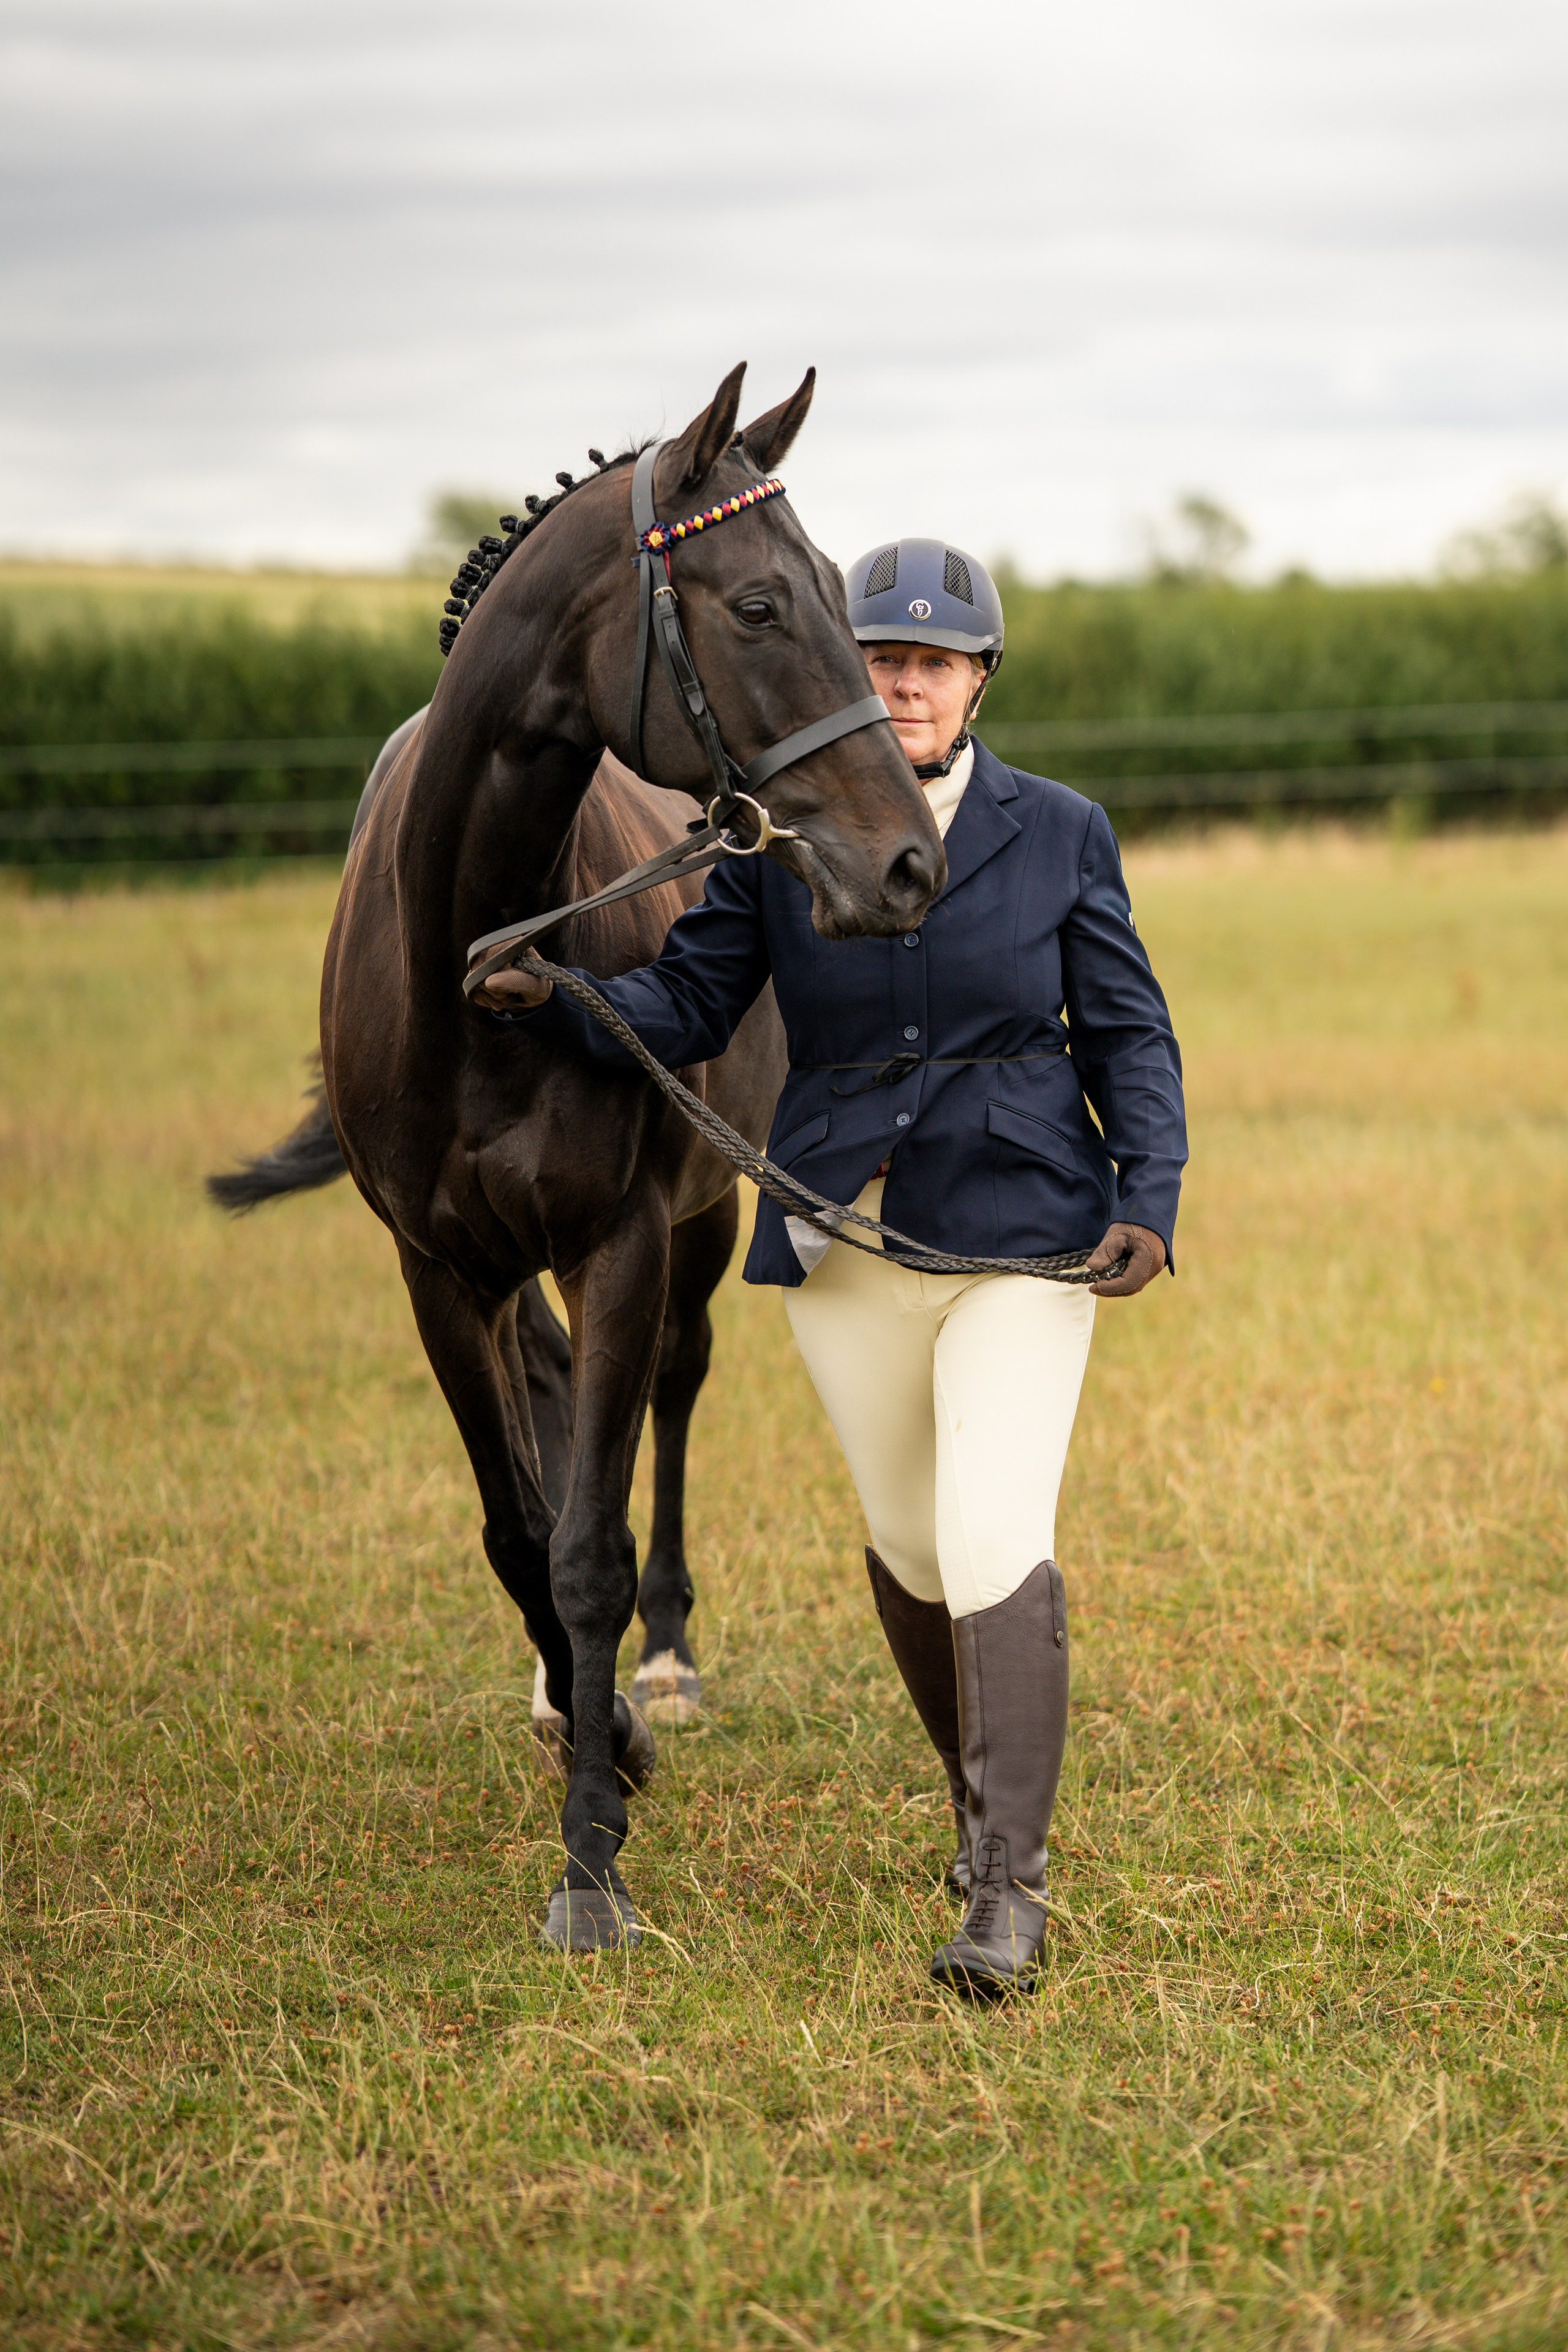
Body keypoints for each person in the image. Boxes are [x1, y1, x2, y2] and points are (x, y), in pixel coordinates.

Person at [474, 538, 1187, 1999]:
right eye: (879, 660)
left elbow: (1128, 1029)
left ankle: (1005, 1893)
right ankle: (971, 1800)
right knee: (912, 1549)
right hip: (843, 1234)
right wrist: (561, 1002)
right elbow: (687, 998)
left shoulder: (1060, 830)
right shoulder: (766, 838)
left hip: (1024, 1229)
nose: (904, 684)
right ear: (843, 674)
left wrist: (1151, 1195)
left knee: (992, 1533)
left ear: (978, 678)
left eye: (931, 662)